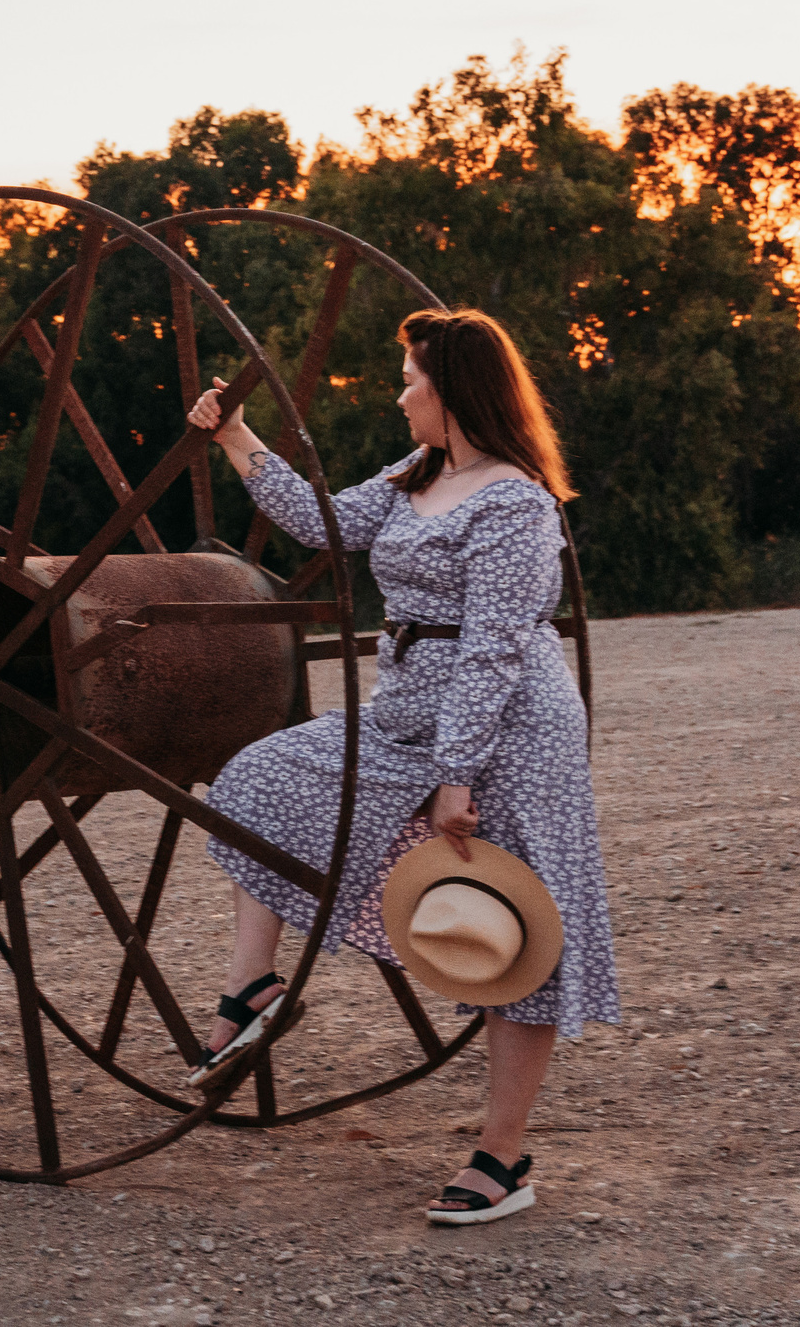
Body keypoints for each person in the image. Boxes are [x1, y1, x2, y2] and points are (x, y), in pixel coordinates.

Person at [182, 307, 618, 1224]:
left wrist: (455, 773)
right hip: (409, 708)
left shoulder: (516, 502)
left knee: (518, 927)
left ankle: (503, 1158)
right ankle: (255, 985)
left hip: (512, 724)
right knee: (256, 782)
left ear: (453, 389)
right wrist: (235, 434)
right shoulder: (418, 474)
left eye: (412, 377)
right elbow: (322, 524)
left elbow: (496, 648)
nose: (401, 391)